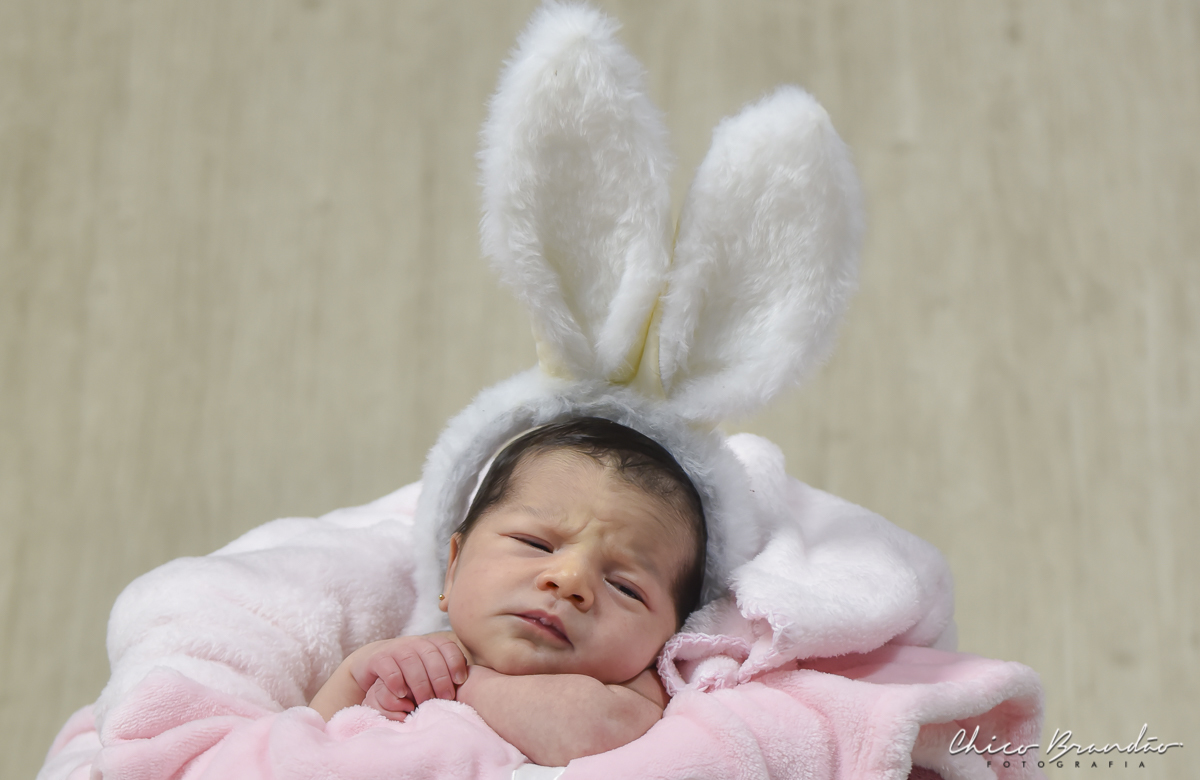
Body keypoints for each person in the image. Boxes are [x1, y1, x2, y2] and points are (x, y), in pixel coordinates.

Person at [308, 417, 707, 766]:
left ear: (668, 639)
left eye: (624, 587)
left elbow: (589, 733)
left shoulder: (638, 693)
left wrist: (454, 687)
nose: (569, 580)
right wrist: (356, 672)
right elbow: (311, 748)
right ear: (453, 567)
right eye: (535, 544)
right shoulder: (411, 657)